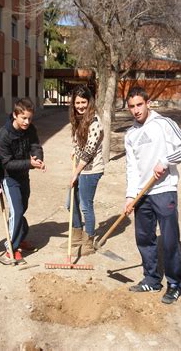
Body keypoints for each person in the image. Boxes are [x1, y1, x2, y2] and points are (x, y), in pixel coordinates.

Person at [124, 86, 181, 304]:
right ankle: (152, 279)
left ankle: (175, 284)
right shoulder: (130, 135)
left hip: (164, 191)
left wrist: (164, 162)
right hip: (142, 194)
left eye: (139, 105)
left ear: (148, 104)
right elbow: (131, 168)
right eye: (131, 107)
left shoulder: (163, 124)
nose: (136, 110)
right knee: (144, 238)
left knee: (170, 240)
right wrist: (130, 196)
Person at [0, 98, 46, 262]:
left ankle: (20, 236)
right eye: (24, 118)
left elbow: (35, 146)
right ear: (15, 115)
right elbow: (7, 163)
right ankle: (11, 247)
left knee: (21, 209)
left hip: (24, 175)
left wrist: (38, 158)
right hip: (9, 178)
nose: (27, 122)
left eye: (30, 118)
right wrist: (29, 164)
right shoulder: (3, 134)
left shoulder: (31, 129)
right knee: (16, 211)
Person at [62, 85, 104, 256]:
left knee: (86, 206)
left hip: (91, 170)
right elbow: (80, 144)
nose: (80, 106)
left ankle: (88, 242)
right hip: (81, 167)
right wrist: (74, 149)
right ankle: (77, 234)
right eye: (77, 102)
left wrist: (76, 173)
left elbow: (89, 152)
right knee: (70, 203)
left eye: (83, 102)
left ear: (89, 102)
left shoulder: (95, 122)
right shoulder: (79, 119)